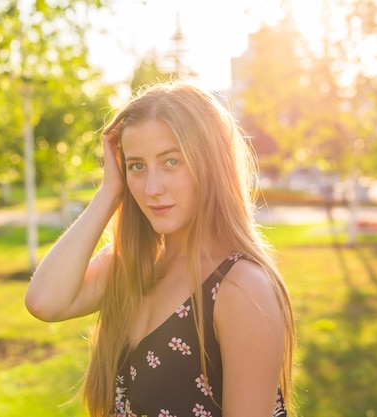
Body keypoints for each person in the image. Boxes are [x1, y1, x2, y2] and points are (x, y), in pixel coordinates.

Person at [25, 80, 296, 417]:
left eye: (171, 162)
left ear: (211, 164)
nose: (151, 188)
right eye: (137, 166)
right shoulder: (135, 264)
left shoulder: (240, 287)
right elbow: (44, 302)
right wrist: (109, 191)